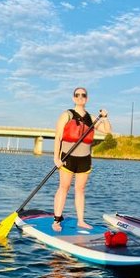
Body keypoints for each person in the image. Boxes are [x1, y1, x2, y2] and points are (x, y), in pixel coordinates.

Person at [52, 87, 111, 232]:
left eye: (83, 95)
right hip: (68, 156)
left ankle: (81, 221)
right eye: (77, 95)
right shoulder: (66, 115)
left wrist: (105, 117)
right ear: (73, 98)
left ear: (87, 99)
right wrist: (56, 157)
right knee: (64, 187)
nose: (80, 97)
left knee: (80, 189)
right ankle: (57, 220)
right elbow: (58, 136)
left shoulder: (91, 118)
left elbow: (107, 130)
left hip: (84, 159)